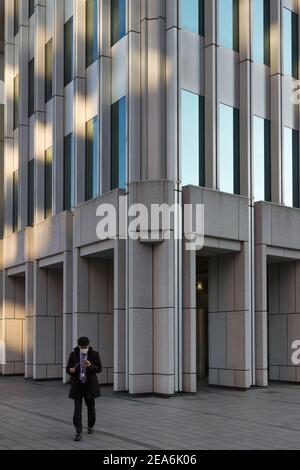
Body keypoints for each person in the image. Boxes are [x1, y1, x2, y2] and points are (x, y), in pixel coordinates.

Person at [66, 337, 102, 442]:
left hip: (90, 386)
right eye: (82, 347)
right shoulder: (73, 355)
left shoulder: (94, 354)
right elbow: (68, 368)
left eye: (86, 347)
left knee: (91, 408)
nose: (84, 349)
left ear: (88, 345)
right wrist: (70, 370)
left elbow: (99, 369)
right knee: (77, 409)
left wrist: (91, 366)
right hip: (77, 386)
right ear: (78, 346)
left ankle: (90, 425)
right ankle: (78, 431)